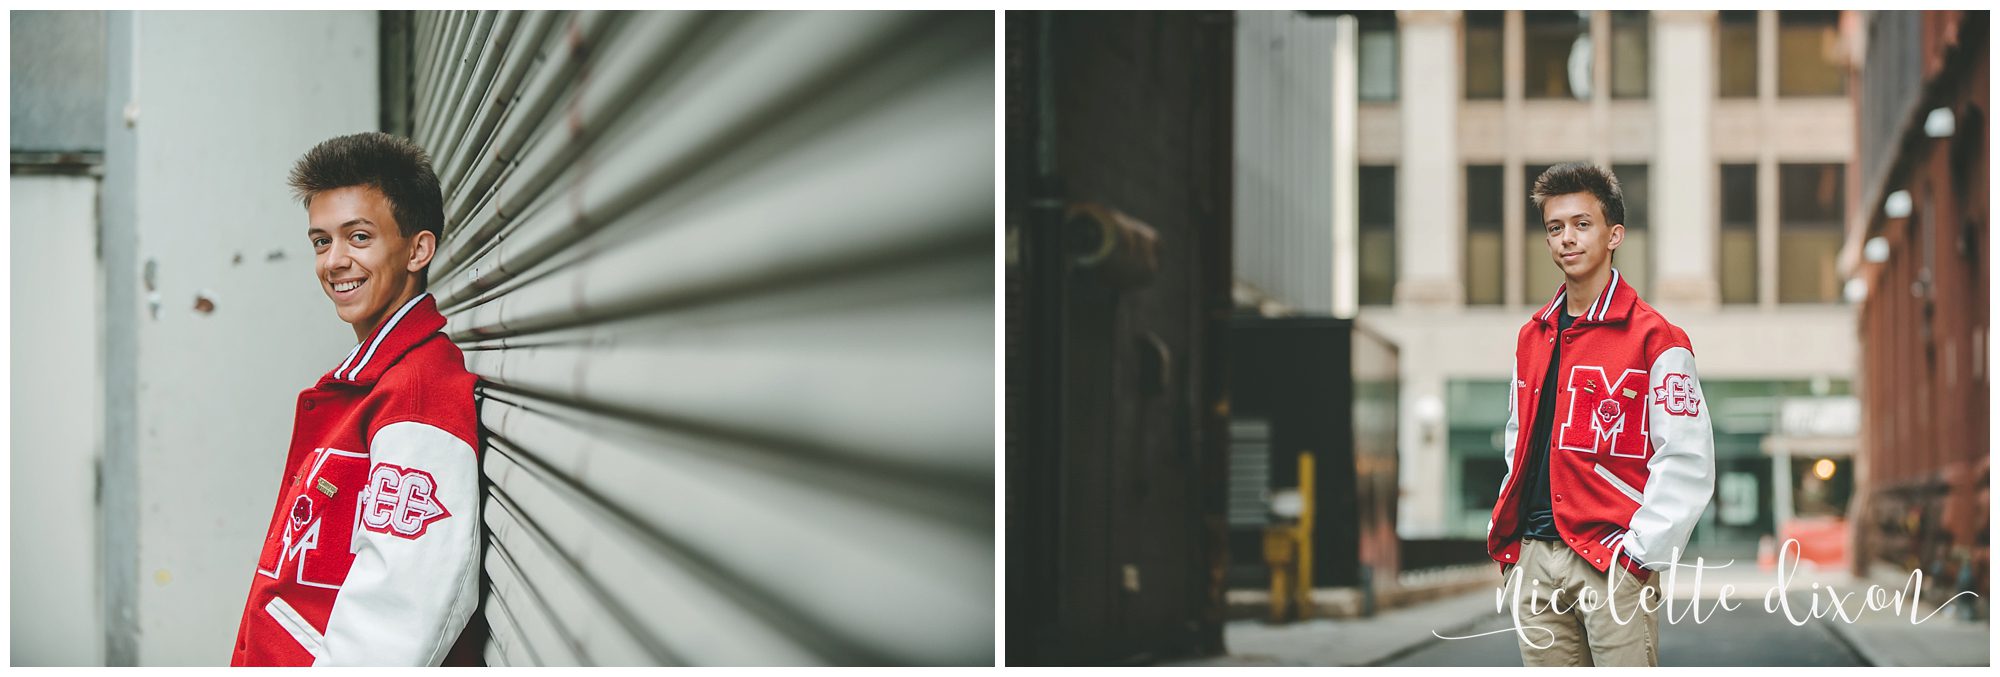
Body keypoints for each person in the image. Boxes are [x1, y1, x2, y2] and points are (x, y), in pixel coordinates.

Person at [230, 132, 481, 666]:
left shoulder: (417, 396)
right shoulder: (371, 382)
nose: (334, 261)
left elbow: (400, 614)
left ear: (418, 249)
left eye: (358, 237)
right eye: (321, 242)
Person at [1485, 162, 1716, 667]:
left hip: (1611, 561)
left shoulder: (1657, 338)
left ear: (1614, 235)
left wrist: (1638, 557)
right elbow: (1519, 439)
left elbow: (1687, 458)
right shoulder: (1532, 337)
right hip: (1534, 560)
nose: (1567, 238)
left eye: (1582, 224)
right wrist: (1517, 554)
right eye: (1555, 227)